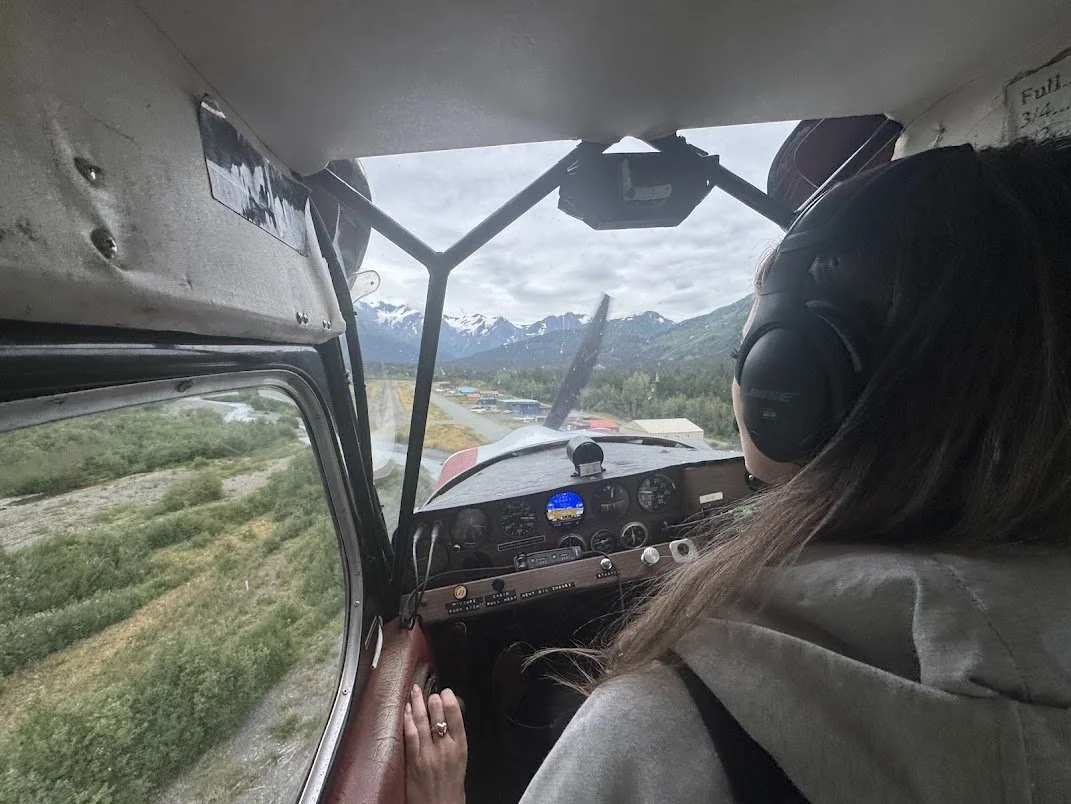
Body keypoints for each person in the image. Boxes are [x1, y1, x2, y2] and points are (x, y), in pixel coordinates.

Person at [403, 137, 1071, 802]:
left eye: (744, 351)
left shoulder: (661, 735)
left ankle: (519, 691)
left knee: (554, 701)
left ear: (788, 384)